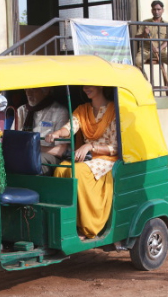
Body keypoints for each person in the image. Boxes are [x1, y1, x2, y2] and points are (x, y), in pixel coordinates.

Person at [45, 86, 118, 240]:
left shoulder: (113, 110)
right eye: (84, 86)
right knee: (60, 170)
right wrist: (56, 134)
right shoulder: (82, 109)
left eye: (90, 85)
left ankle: (86, 225)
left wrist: (91, 146)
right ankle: (68, 222)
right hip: (87, 158)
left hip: (106, 159)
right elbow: (69, 128)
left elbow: (115, 147)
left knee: (77, 172)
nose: (86, 89)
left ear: (101, 86)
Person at [14, 87, 69, 176]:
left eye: (33, 90)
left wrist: (34, 147)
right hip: (22, 153)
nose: (28, 93)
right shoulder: (21, 111)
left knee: (32, 160)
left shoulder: (59, 112)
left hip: (47, 156)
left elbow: (61, 150)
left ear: (46, 91)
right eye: (26, 89)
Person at [134, 1, 168, 95]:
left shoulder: (167, 24)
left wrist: (159, 49)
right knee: (137, 62)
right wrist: (144, 34)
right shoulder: (145, 22)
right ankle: (146, 85)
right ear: (152, 10)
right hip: (146, 50)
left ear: (162, 10)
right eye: (154, 9)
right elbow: (136, 37)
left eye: (159, 9)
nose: (156, 11)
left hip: (161, 51)